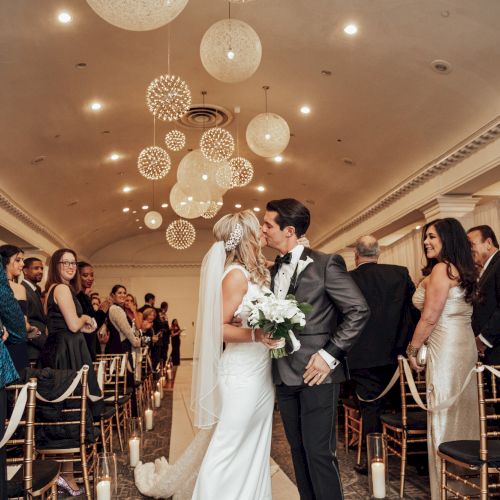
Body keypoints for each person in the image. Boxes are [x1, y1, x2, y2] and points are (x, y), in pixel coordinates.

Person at [135, 210, 280, 499]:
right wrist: (257, 334)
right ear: (246, 236)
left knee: (256, 443)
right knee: (227, 445)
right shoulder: (235, 276)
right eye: (258, 228)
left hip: (261, 371)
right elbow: (216, 328)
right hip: (241, 374)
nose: (263, 232)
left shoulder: (255, 273)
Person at [262, 198, 370, 500]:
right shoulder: (271, 272)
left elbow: (358, 310)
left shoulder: (325, 263)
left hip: (316, 372)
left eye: (268, 225)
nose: (264, 230)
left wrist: (328, 356)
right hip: (283, 372)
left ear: (289, 230)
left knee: (320, 454)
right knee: (297, 452)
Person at [407, 218, 480, 499]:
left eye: (433, 237)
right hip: (463, 345)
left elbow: (429, 317)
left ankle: (446, 490)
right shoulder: (462, 269)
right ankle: (466, 485)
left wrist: (413, 349)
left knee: (443, 413)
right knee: (462, 411)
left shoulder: (441, 269)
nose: (426, 241)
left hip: (446, 348)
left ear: (448, 239)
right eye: (426, 237)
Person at [349, 235, 420, 474]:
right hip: (397, 355)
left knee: (371, 408)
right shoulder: (400, 273)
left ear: (356, 256)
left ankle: (375, 463)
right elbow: (413, 311)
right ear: (378, 254)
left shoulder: (349, 279)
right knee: (399, 406)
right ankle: (409, 456)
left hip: (361, 356)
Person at [39, 248, 101, 495]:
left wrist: (85, 324)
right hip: (65, 352)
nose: (70, 266)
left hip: (61, 347)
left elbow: (70, 326)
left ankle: (66, 472)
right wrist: (85, 316)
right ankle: (66, 474)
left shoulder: (54, 290)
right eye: (65, 262)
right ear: (55, 265)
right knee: (70, 411)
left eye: (73, 262)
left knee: (65, 411)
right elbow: (74, 324)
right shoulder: (62, 289)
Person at [467, 225, 500, 364]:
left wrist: (483, 339)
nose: (469, 250)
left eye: (471, 245)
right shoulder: (484, 269)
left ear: (488, 243)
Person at [0, 246, 28, 371]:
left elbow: (24, 322)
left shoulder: (19, 288)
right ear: (4, 261)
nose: (22, 264)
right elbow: (24, 324)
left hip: (17, 343)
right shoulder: (17, 289)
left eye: (22, 260)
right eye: (18, 260)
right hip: (10, 343)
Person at [76, 261, 106, 360]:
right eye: (85, 275)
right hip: (82, 345)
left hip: (89, 345)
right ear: (77, 277)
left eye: (91, 275)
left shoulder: (84, 297)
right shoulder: (77, 296)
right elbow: (91, 325)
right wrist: (102, 311)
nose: (90, 278)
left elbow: (93, 324)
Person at [21, 257, 48, 363]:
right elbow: (27, 323)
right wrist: (45, 343)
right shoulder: (22, 290)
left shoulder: (35, 290)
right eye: (36, 268)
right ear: (25, 270)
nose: (40, 271)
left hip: (39, 350)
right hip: (33, 350)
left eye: (41, 268)